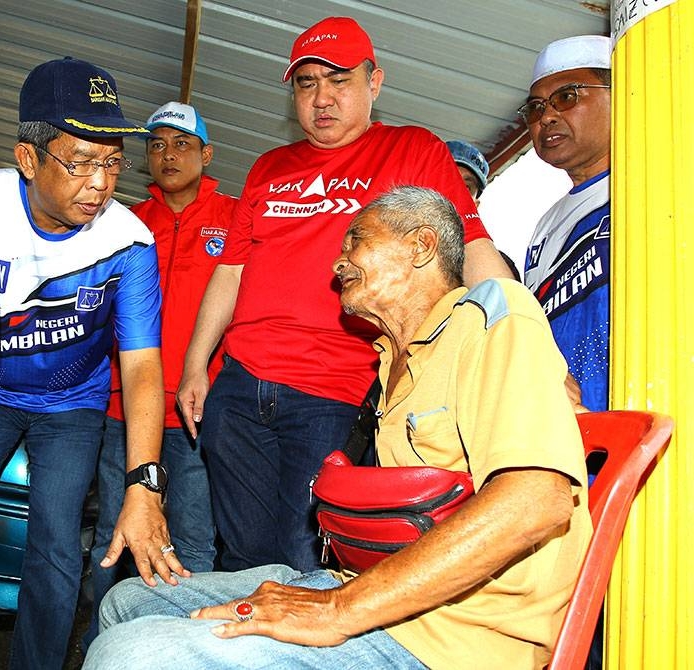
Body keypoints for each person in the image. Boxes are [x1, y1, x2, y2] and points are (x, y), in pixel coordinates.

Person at [85, 185, 591, 670]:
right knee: (129, 601)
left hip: (452, 636)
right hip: (365, 588)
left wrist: (335, 610)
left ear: (420, 245)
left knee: (132, 655)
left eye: (357, 239)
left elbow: (535, 499)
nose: (337, 260)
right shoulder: (388, 363)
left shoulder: (492, 318)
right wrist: (333, 595)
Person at [176, 15, 513, 573]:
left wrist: (520, 341)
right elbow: (230, 272)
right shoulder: (268, 168)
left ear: (374, 83)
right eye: (307, 83)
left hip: (336, 392)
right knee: (238, 559)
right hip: (239, 391)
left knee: (307, 563)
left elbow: (471, 247)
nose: (322, 98)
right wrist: (195, 363)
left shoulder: (413, 151)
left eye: (339, 81)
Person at [0, 57, 184, 670]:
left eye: (111, 163)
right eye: (80, 162)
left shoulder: (128, 240)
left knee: (54, 548)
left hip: (72, 403)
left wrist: (143, 484)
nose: (100, 183)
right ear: (28, 159)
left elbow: (141, 367)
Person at [87, 102, 236, 642]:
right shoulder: (122, 221)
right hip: (122, 409)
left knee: (194, 538)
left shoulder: (235, 218)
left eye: (182, 144)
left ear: (206, 153)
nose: (168, 155)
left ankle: (183, 648)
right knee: (113, 532)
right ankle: (102, 646)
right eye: (156, 145)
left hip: (198, 413)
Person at [521, 35, 611, 413]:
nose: (547, 116)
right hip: (564, 433)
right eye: (535, 108)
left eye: (567, 96)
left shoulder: (657, 184)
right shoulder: (545, 226)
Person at [446, 140, 522, 280]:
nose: (455, 192)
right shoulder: (396, 249)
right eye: (448, 179)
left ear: (475, 205)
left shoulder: (497, 265)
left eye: (466, 187)